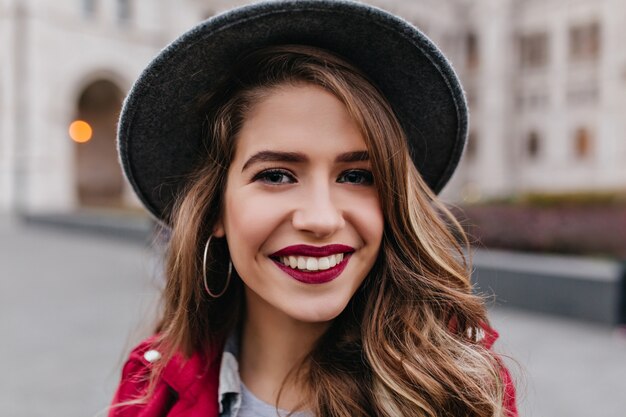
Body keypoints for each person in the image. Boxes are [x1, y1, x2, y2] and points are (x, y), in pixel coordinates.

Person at [110, 1, 518, 416]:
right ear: (215, 208)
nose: (321, 219)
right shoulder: (148, 391)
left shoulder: (464, 394)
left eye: (356, 176)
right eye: (276, 175)